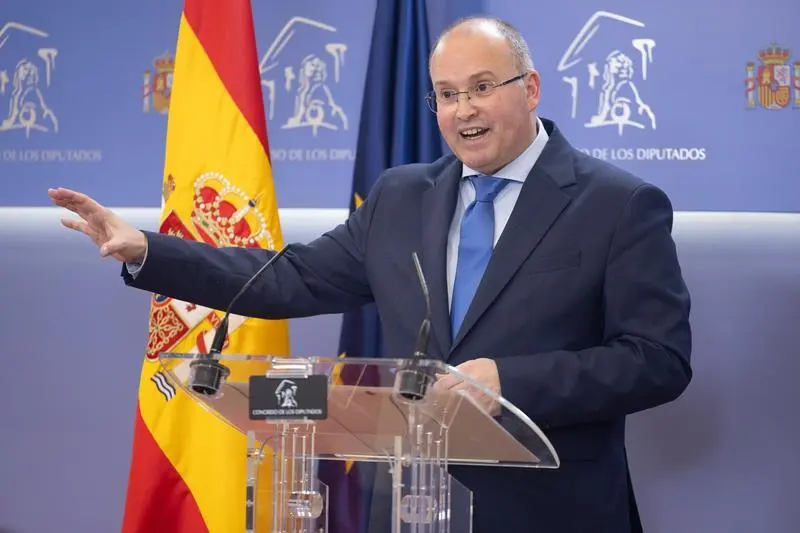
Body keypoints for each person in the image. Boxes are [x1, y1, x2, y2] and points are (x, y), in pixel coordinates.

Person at [49, 16, 692, 533]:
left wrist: (511, 381)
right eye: (446, 95)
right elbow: (287, 278)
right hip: (415, 505)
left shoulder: (618, 204)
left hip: (554, 510)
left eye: (482, 87)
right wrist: (147, 251)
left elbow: (658, 359)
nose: (463, 109)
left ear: (530, 88)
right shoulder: (401, 198)